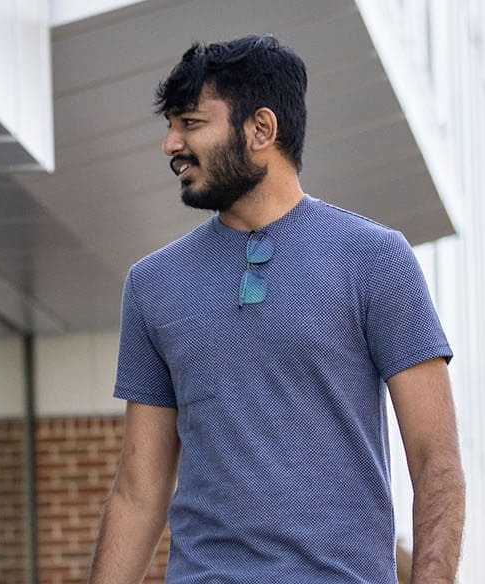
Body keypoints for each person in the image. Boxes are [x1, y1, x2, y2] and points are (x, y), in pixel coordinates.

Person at [88, 35, 464, 583]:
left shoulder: (376, 259)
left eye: (191, 123)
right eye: (170, 126)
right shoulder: (152, 285)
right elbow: (138, 492)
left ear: (261, 129)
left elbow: (437, 466)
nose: (170, 144)